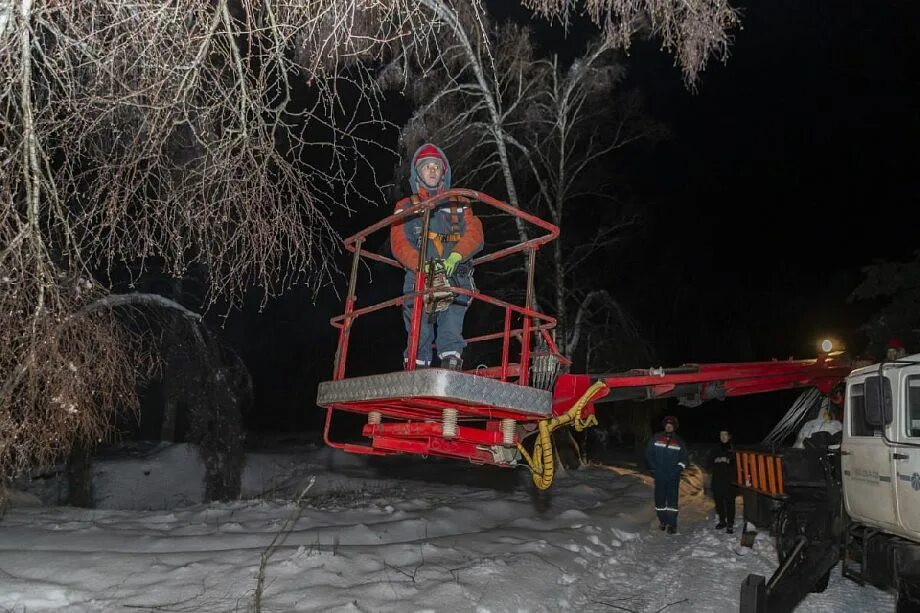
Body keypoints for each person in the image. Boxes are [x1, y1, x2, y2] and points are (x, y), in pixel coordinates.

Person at [390, 143, 483, 370]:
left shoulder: (459, 203)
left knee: (452, 323)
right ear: (418, 173)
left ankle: (451, 364)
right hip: (419, 277)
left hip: (454, 276)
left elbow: (475, 232)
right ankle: (415, 367)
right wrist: (421, 267)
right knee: (418, 328)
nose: (432, 170)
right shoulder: (406, 206)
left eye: (436, 166)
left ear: (443, 172)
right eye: (426, 167)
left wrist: (456, 256)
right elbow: (399, 242)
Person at [646, 415, 689, 534]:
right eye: (667, 425)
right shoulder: (656, 438)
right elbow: (649, 454)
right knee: (659, 501)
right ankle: (663, 521)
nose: (669, 427)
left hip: (673, 478)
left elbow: (685, 459)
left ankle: (672, 524)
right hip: (659, 476)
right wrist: (654, 469)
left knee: (672, 502)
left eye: (671, 425)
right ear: (664, 426)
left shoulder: (679, 441)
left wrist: (677, 470)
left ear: (674, 427)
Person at [709, 429, 737, 533]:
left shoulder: (733, 449)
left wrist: (729, 461)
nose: (723, 437)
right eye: (721, 435)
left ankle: (730, 523)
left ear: (729, 436)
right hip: (717, 480)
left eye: (725, 435)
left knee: (730, 502)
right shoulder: (715, 448)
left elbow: (738, 465)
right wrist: (715, 460)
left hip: (730, 481)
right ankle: (722, 521)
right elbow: (708, 462)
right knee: (719, 502)